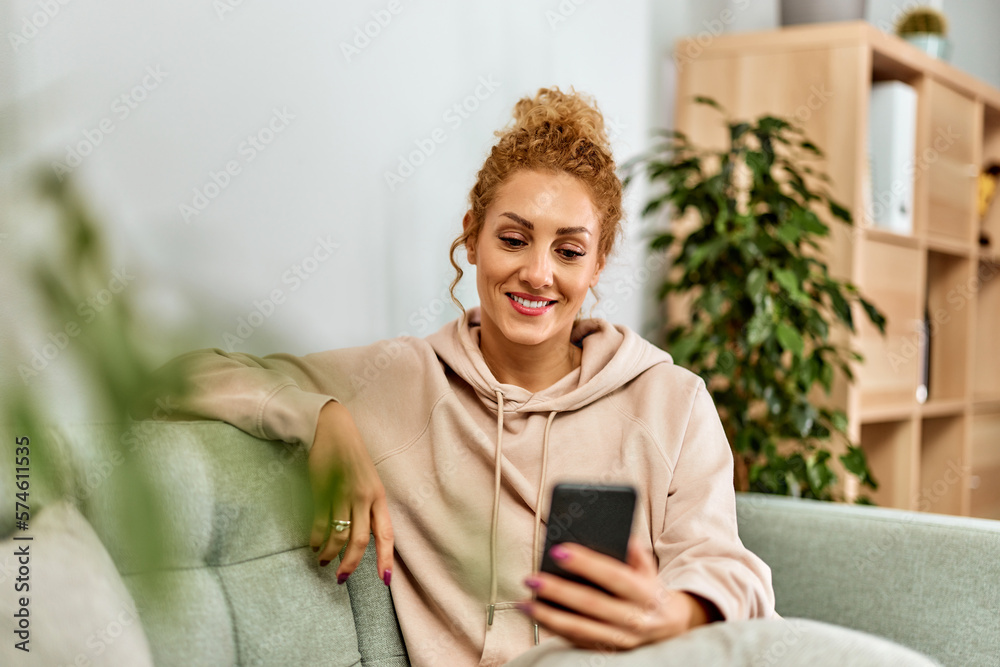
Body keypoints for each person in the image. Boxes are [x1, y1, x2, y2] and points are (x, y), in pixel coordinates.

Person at [156, 86, 775, 666]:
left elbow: (728, 567)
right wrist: (322, 418)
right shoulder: (398, 379)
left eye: (568, 250)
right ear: (473, 239)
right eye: (513, 239)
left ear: (597, 265)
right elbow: (176, 377)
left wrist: (673, 613)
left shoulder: (672, 400)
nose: (538, 273)